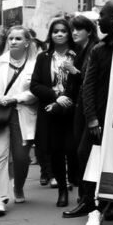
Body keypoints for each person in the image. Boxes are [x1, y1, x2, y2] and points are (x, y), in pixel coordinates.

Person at [73, 0, 113, 225]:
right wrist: (92, 119)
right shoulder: (99, 50)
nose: (99, 19)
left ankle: (111, 204)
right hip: (99, 117)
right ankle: (92, 205)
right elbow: (88, 87)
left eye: (103, 15)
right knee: (86, 156)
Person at [29, 18, 80, 208]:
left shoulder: (78, 54)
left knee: (72, 149)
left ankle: (78, 186)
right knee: (56, 151)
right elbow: (35, 85)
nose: (59, 34)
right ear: (50, 35)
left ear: (69, 34)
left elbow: (84, 80)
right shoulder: (44, 57)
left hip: (73, 110)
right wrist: (55, 95)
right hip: (51, 111)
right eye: (55, 31)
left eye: (63, 31)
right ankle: (62, 190)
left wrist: (69, 92)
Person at [0, 26, 39, 212]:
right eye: (10, 38)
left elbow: (36, 91)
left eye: (17, 39)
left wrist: (17, 98)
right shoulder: (0, 62)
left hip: (22, 113)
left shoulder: (35, 63)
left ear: (27, 42)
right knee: (0, 156)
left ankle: (18, 186)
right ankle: (1, 198)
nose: (13, 42)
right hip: (1, 114)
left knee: (22, 159)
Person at [62, 15, 98, 219]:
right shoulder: (79, 51)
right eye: (72, 29)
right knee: (79, 152)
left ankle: (90, 199)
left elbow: (91, 81)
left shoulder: (95, 49)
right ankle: (86, 197)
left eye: (78, 29)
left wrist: (73, 70)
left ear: (89, 30)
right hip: (79, 108)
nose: (74, 33)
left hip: (90, 110)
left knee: (85, 153)